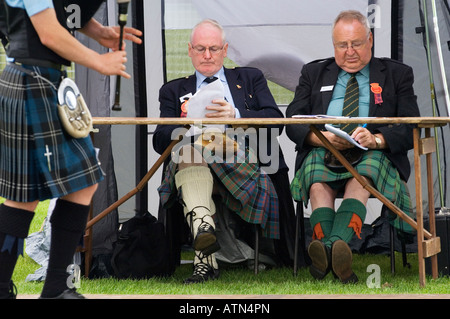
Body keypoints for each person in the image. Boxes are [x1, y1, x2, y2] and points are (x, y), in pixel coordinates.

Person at [0, 0, 142, 299]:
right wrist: (99, 61)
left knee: (84, 182)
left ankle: (56, 289)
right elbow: (49, 32)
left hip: (47, 81)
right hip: (28, 81)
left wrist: (98, 30)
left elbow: (60, 9)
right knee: (22, 198)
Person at [153, 19, 295, 284]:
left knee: (203, 149)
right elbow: (160, 139)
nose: (207, 55)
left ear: (225, 49)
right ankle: (205, 241)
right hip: (195, 161)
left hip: (243, 164)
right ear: (189, 50)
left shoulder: (250, 78)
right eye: (200, 48)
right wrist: (187, 124)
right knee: (189, 152)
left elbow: (275, 121)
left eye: (214, 49)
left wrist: (236, 115)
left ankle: (204, 253)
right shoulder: (173, 90)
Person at [286, 10, 420, 283]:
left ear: (370, 40)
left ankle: (328, 248)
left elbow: (410, 127)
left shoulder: (397, 74)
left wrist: (377, 140)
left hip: (373, 154)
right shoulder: (313, 72)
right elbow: (293, 121)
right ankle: (335, 253)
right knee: (315, 174)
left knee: (362, 174)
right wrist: (318, 138)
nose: (349, 52)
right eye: (342, 45)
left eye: (356, 43)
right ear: (333, 45)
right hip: (325, 150)